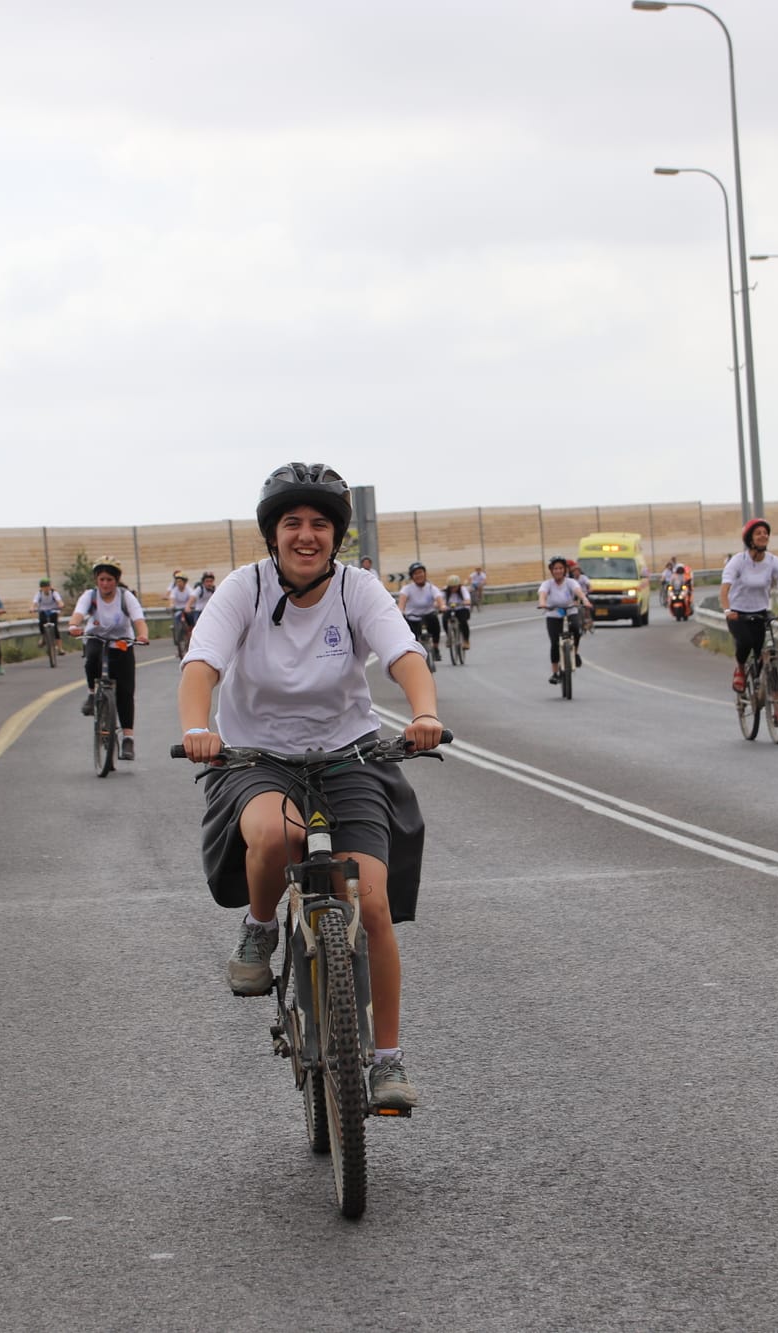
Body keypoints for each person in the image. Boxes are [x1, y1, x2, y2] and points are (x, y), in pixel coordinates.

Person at [177, 462, 442, 1111]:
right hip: (257, 759)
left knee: (371, 904)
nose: (306, 534)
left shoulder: (356, 588)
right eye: (292, 522)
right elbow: (202, 663)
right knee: (274, 833)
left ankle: (387, 1060)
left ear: (336, 535)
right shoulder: (244, 588)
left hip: (350, 757)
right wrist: (196, 728)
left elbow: (403, 653)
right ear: (272, 534)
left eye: (320, 523)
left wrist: (424, 712)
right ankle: (260, 925)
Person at [68, 559, 149, 759]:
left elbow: (138, 619)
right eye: (102, 579)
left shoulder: (125, 597)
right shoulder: (90, 596)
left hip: (121, 643)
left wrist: (142, 635)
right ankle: (91, 693)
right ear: (96, 580)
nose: (105, 584)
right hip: (96, 638)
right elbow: (78, 614)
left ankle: (128, 738)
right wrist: (73, 626)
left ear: (117, 580)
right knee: (91, 658)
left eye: (110, 580)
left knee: (125, 692)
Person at [720, 518, 778, 695]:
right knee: (746, 643)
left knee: (764, 650)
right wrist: (728, 610)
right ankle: (740, 669)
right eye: (758, 533)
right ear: (750, 539)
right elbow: (724, 589)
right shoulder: (738, 561)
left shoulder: (773, 561)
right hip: (738, 614)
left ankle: (770, 694)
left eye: (765, 533)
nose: (763, 536)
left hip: (760, 612)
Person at [538, 555, 593, 682]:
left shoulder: (570, 582)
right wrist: (542, 603)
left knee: (576, 629)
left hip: (570, 611)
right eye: (555, 568)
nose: (558, 571)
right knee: (554, 643)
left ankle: (575, 653)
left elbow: (578, 591)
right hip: (553, 614)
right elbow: (542, 594)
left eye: (560, 568)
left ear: (565, 570)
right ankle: (555, 672)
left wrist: (585, 600)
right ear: (551, 570)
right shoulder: (547, 584)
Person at [395, 562, 447, 659]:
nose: (418, 575)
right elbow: (401, 603)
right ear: (412, 576)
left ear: (425, 573)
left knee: (435, 625)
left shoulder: (431, 587)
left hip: (429, 615)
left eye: (420, 572)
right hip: (413, 618)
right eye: (415, 574)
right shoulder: (407, 589)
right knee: (412, 638)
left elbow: (439, 599)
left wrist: (442, 606)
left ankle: (435, 647)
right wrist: (400, 612)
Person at [32, 577, 67, 642]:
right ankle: (43, 637)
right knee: (41, 622)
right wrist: (32, 608)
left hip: (54, 610)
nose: (46, 588)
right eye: (44, 587)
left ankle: (59, 647)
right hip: (43, 610)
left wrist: (61, 604)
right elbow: (35, 602)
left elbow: (59, 601)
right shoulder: (39, 593)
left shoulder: (54, 593)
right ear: (41, 588)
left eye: (47, 586)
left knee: (55, 627)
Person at [443, 578, 473, 650]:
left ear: (458, 585)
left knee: (463, 621)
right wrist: (441, 605)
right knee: (444, 619)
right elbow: (440, 600)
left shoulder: (463, 589)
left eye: (455, 587)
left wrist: (466, 602)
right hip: (450, 609)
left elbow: (468, 600)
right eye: (451, 587)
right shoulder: (445, 591)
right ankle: (449, 636)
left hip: (462, 608)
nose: (453, 589)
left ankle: (466, 640)